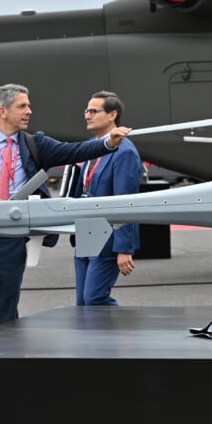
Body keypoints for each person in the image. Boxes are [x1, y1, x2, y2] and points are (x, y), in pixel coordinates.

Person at [0, 83, 131, 340]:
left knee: (5, 321)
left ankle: (3, 374)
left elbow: (75, 151)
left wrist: (108, 143)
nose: (29, 111)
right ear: (2, 111)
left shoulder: (36, 144)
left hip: (9, 244)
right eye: (22, 106)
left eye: (28, 105)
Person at [69, 91, 142, 306]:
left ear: (112, 115)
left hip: (108, 234)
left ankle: (129, 334)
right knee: (83, 303)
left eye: (94, 111)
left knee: (95, 299)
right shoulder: (92, 146)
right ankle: (93, 340)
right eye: (86, 111)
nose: (87, 115)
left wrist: (124, 248)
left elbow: (126, 201)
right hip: (87, 230)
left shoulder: (125, 151)